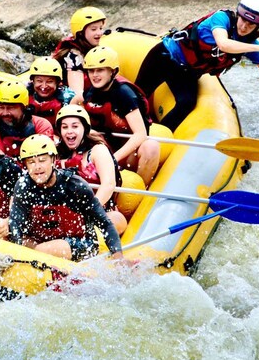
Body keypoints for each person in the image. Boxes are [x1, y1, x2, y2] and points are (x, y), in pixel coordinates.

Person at [135, 0, 259, 131]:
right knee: (136, 98)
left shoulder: (250, 44)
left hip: (186, 72)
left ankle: (158, 137)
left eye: (251, 25)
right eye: (243, 20)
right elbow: (223, 43)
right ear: (238, 15)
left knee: (187, 103)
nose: (244, 27)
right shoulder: (221, 18)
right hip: (165, 56)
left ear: (258, 26)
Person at [9, 134, 123, 261]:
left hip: (81, 244)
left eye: (42, 160)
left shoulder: (75, 185)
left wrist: (118, 257)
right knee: (14, 239)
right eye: (31, 162)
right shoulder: (23, 186)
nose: (37, 167)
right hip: (41, 241)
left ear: (53, 160)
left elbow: (105, 224)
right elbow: (15, 225)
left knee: (48, 249)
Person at [83, 46, 160, 187]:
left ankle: (142, 187)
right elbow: (77, 104)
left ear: (113, 71)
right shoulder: (89, 92)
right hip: (102, 148)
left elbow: (140, 134)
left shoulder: (125, 94)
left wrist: (112, 159)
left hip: (126, 152)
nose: (94, 75)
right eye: (91, 70)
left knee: (151, 147)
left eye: (100, 70)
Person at [55, 105, 128, 235]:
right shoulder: (56, 154)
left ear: (85, 128)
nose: (69, 131)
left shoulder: (97, 150)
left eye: (75, 126)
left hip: (99, 210)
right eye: (64, 127)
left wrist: (87, 212)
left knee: (116, 219)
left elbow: (109, 184)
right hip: (65, 213)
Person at [0, 80, 54, 159]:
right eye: (1, 107)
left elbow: (43, 160)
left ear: (24, 108)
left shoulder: (41, 125)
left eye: (11, 108)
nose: (5, 113)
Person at [52, 7, 108, 105]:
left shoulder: (95, 49)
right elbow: (77, 94)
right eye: (93, 29)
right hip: (71, 102)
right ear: (80, 33)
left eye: (100, 28)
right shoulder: (74, 56)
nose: (99, 33)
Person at [26, 56, 75, 127]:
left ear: (58, 83)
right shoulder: (24, 95)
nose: (44, 86)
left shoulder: (66, 99)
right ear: (33, 81)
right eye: (39, 81)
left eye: (49, 81)